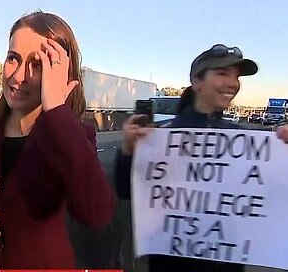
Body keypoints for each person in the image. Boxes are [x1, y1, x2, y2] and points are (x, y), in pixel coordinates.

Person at [0, 11, 115, 269]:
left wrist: (56, 109)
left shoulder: (73, 136)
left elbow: (96, 212)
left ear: (59, 73)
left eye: (37, 65)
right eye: (13, 58)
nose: (18, 76)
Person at [115, 44, 288, 272]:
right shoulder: (160, 136)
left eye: (236, 76)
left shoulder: (244, 142)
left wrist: (282, 153)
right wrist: (128, 152)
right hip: (170, 262)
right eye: (222, 73)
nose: (232, 83)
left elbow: (270, 197)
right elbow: (125, 191)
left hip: (226, 263)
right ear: (196, 81)